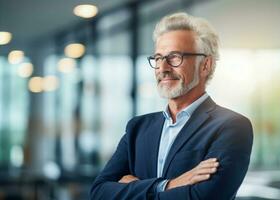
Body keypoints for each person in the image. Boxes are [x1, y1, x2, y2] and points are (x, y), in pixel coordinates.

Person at [90, 12, 253, 200]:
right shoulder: (137, 128)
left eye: (174, 57)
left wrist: (133, 189)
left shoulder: (232, 127)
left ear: (205, 65)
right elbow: (99, 193)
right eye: (158, 58)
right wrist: (170, 185)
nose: (163, 68)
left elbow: (203, 197)